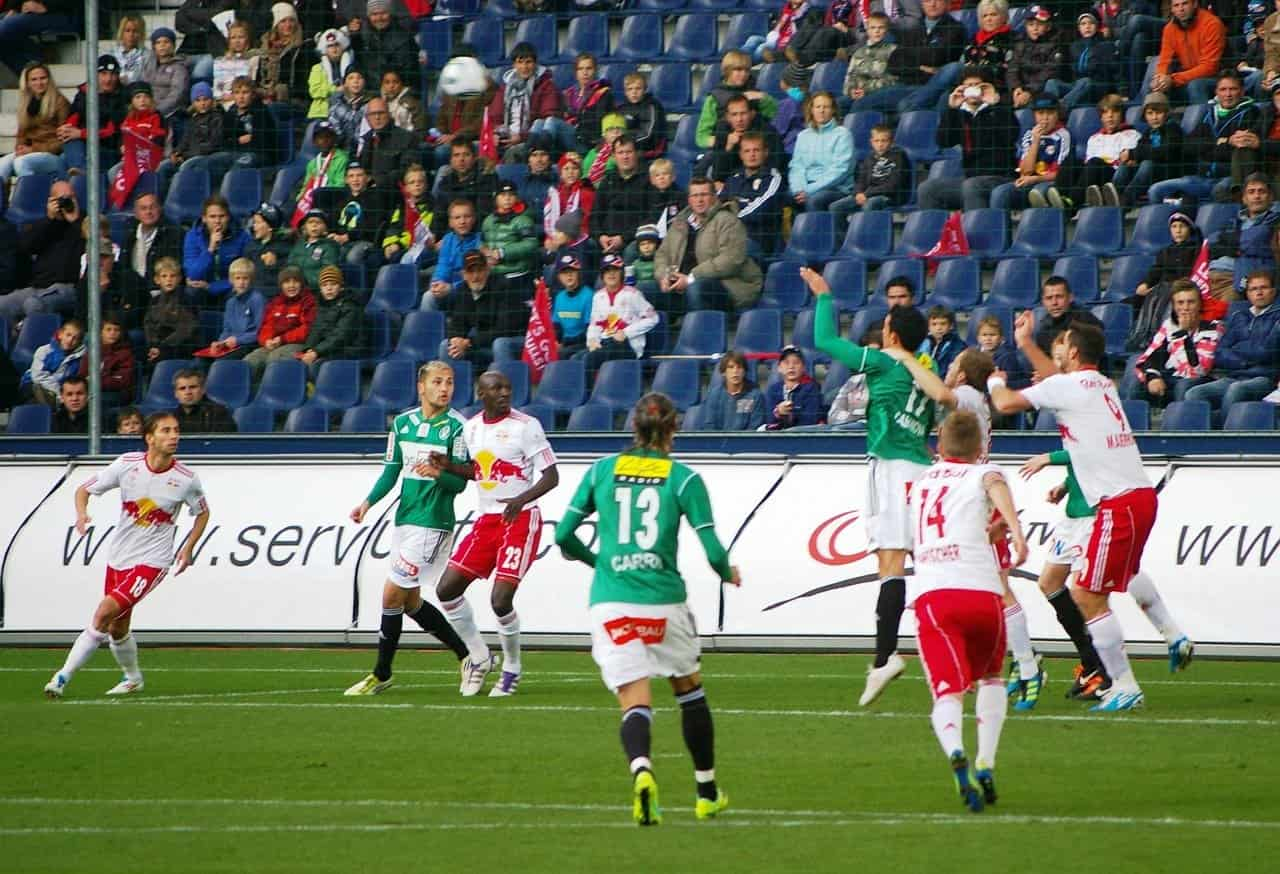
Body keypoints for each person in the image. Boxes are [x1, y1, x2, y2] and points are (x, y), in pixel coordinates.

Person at [554, 392, 738, 825]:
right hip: (663, 602)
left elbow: (563, 534)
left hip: (612, 601)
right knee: (688, 688)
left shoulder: (602, 470)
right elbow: (712, 550)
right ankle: (706, 792)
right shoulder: (684, 479)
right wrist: (728, 572)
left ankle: (642, 772)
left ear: (633, 428)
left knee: (634, 699)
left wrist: (599, 561)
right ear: (673, 430)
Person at [990, 315, 1191, 711]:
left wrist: (994, 380)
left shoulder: (1070, 387)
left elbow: (1007, 403)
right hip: (1136, 496)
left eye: (1063, 343)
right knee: (1114, 581)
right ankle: (1166, 640)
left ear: (1075, 351)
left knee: (1084, 592)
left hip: (1118, 503)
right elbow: (1054, 381)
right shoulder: (1099, 384)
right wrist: (1027, 343)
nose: (1058, 350)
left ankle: (1123, 684)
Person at [804, 265, 935, 706]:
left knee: (891, 564)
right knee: (936, 564)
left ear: (892, 335)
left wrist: (824, 297)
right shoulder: (921, 370)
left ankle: (884, 658)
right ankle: (973, 653)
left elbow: (825, 342)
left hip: (892, 468)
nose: (879, 332)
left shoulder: (882, 362)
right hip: (923, 471)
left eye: (883, 326)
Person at [902, 410, 1027, 811]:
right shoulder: (982, 473)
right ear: (979, 447)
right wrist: (1013, 530)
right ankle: (986, 759)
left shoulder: (920, 483)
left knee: (948, 691)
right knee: (991, 679)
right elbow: (994, 482)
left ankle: (955, 748)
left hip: (936, 597)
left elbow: (913, 542)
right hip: (983, 593)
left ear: (939, 445)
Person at [43, 412, 210, 699]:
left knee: (104, 612)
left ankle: (61, 677)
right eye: (166, 431)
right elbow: (83, 490)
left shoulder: (186, 479)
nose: (174, 436)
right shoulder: (127, 465)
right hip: (120, 555)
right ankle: (133, 678)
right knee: (118, 626)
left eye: (176, 430)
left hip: (153, 561)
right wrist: (82, 514)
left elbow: (203, 513)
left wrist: (188, 547)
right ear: (149, 438)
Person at [428, 370, 561, 697]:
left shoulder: (526, 426)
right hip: (486, 520)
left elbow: (551, 476)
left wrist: (520, 499)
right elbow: (481, 471)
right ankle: (479, 655)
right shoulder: (471, 428)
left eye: (507, 387)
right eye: (496, 388)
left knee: (500, 600)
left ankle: (512, 667)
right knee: (447, 589)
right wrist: (449, 465)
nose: (504, 393)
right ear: (481, 393)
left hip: (521, 519)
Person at [344, 361, 474, 696]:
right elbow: (391, 472)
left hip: (434, 522)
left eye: (450, 382)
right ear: (422, 387)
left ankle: (381, 673)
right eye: (438, 382)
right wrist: (366, 504)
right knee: (410, 600)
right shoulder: (402, 424)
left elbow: (460, 484)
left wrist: (438, 475)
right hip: (405, 520)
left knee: (391, 593)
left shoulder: (457, 427)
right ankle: (468, 655)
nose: (445, 388)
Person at [1148, 72, 1262, 207]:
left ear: (1242, 91)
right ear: (1216, 92)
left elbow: (1237, 150)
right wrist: (1223, 142)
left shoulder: (1251, 112)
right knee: (1156, 190)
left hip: (1229, 178)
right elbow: (1188, 146)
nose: (1228, 94)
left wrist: (1208, 147)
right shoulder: (1209, 114)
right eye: (1223, 89)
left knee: (1218, 191)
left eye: (1233, 89)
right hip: (1201, 178)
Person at [1184, 270, 1280, 425]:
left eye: (1263, 287)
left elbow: (1267, 352)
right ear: (1247, 294)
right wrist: (1243, 362)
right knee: (1194, 393)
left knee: (1236, 390)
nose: (1259, 293)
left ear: (1273, 291)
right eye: (1253, 289)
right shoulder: (1239, 316)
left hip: (1263, 378)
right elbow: (1220, 353)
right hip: (1235, 375)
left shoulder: (1277, 317)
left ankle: (1225, 438)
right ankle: (1200, 440)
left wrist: (1238, 349)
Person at [654, 178, 763, 314]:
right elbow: (662, 254)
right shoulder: (679, 223)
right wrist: (664, 276)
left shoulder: (727, 221)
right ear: (689, 199)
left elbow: (731, 260)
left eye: (704, 195)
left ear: (713, 197)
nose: (699, 200)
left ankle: (700, 333)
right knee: (645, 290)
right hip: (680, 285)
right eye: (695, 195)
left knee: (696, 287)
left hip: (726, 287)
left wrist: (691, 278)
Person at [917, 66, 1018, 211]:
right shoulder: (960, 114)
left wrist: (995, 105)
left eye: (978, 86)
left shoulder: (999, 109)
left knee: (972, 186)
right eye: (968, 86)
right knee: (928, 189)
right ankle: (938, 233)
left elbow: (1011, 135)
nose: (973, 90)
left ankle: (977, 231)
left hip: (1001, 178)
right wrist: (951, 110)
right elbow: (944, 142)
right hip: (970, 180)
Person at [0, 179, 81, 322]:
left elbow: (89, 247)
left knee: (34, 304)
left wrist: (75, 221)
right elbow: (26, 247)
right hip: (38, 287)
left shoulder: (85, 224)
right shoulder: (45, 224)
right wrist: (50, 220)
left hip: (67, 288)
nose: (66, 202)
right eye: (61, 199)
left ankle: (36, 343)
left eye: (71, 197)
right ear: (51, 200)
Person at [1130, 282, 1221, 406]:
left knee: (1182, 385)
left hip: (1200, 379)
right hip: (1172, 375)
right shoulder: (1170, 325)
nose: (1185, 307)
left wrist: (1184, 334)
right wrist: (1153, 377)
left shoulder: (1213, 328)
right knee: (1137, 383)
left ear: (1200, 304)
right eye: (1180, 303)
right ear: (1173, 306)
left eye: (1191, 302)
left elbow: (1199, 371)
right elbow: (1152, 354)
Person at [442, 251, 527, 369]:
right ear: (463, 274)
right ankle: (452, 385)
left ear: (487, 270)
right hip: (482, 340)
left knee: (500, 343)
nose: (475, 276)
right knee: (446, 345)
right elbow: (457, 323)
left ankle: (505, 384)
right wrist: (456, 339)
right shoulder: (463, 290)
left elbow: (504, 329)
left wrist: (468, 342)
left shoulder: (504, 286)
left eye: (479, 270)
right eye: (470, 271)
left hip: (516, 339)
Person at [582, 254, 658, 378]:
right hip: (605, 342)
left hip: (628, 345)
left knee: (589, 359)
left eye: (615, 270)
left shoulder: (633, 294)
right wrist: (592, 340)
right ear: (602, 275)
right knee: (577, 357)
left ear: (621, 273)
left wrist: (626, 333)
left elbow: (653, 318)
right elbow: (595, 324)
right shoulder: (598, 296)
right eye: (607, 271)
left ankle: (587, 395)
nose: (611, 274)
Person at [990, 95, 1071, 211]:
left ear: (1057, 114)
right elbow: (1025, 171)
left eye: (1050, 113)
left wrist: (1036, 179)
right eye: (1041, 113)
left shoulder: (1064, 135)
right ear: (1034, 115)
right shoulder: (1029, 135)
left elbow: (1060, 173)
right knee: (1000, 193)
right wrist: (1036, 141)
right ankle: (999, 228)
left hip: (1050, 183)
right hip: (1029, 182)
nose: (1045, 118)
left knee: (1040, 190)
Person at [487, 41, 563, 162]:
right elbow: (494, 117)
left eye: (528, 62)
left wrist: (521, 137)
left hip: (531, 141)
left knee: (513, 153)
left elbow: (547, 119)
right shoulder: (505, 88)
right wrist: (496, 134)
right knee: (478, 149)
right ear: (514, 65)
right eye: (520, 62)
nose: (524, 67)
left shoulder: (547, 86)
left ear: (535, 64)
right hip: (506, 138)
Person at [0, 62, 70, 181]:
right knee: (2, 164)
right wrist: (20, 148)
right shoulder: (25, 103)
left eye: (43, 78)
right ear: (27, 83)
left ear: (49, 80)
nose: (39, 83)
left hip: (54, 155)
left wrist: (34, 149)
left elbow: (64, 141)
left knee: (21, 163)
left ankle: (32, 197)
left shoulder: (60, 102)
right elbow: (21, 134)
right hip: (30, 152)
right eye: (34, 79)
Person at [721, 132, 786, 256]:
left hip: (758, 241)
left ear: (765, 152)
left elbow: (760, 211)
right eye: (747, 151)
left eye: (756, 150)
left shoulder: (773, 178)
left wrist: (733, 215)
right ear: (741, 154)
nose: (752, 155)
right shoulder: (734, 178)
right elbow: (721, 204)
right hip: (729, 234)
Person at [1114, 91, 1184, 207]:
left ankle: (1125, 200)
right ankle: (1114, 194)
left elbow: (1165, 152)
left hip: (1169, 172)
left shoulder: (1173, 129)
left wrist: (1133, 154)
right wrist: (1133, 158)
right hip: (1151, 174)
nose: (1154, 117)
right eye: (1150, 113)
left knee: (1147, 164)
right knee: (1126, 165)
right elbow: (1140, 149)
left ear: (1166, 113)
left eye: (1159, 113)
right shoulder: (1148, 132)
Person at [246, 266, 318, 377]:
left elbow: (307, 329)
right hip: (274, 343)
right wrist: (267, 341)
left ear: (302, 284)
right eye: (287, 282)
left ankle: (275, 392)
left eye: (295, 281)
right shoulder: (276, 302)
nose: (291, 285)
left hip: (298, 344)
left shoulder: (308, 301)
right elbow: (266, 326)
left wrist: (282, 339)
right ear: (281, 285)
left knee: (275, 358)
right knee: (251, 360)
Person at [60, 54, 127, 173]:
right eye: (104, 74)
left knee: (64, 160)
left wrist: (82, 133)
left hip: (108, 149)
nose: (108, 79)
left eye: (113, 74)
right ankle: (79, 174)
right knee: (68, 146)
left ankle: (80, 174)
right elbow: (73, 117)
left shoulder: (123, 97)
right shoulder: (84, 92)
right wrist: (66, 129)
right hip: (82, 146)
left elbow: (112, 132)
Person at [1150, 0, 1225, 106]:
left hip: (1216, 78)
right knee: (1155, 71)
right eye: (1176, 5)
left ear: (1195, 4)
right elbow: (1164, 60)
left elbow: (1209, 67)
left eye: (1185, 3)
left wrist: (1172, 79)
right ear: (1172, 9)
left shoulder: (1212, 24)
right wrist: (1159, 78)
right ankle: (1146, 114)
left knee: (1195, 85)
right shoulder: (1169, 28)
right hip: (1186, 76)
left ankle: (1203, 121)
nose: (1181, 9)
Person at [788, 91, 854, 212]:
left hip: (835, 188)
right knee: (782, 198)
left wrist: (809, 190)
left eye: (826, 107)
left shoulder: (843, 134)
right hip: (806, 186)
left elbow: (840, 171)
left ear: (833, 110)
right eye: (818, 107)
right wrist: (798, 189)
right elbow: (797, 166)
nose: (821, 110)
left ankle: (816, 231)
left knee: (814, 200)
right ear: (812, 110)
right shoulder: (803, 135)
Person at [158, 82, 224, 199]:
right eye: (198, 100)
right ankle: (160, 199)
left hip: (205, 158)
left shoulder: (217, 118)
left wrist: (185, 156)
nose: (202, 103)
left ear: (212, 100)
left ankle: (181, 200)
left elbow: (213, 144)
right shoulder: (192, 120)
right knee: (163, 166)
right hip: (188, 156)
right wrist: (176, 152)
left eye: (206, 99)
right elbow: (185, 140)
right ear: (193, 103)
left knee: (186, 167)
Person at [183, 194, 250, 305]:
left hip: (229, 288)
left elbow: (247, 275)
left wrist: (213, 286)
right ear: (204, 218)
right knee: (191, 292)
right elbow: (193, 275)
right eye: (212, 217)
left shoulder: (242, 236)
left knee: (240, 292)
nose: (217, 221)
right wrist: (210, 250)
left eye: (222, 216)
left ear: (228, 217)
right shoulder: (193, 236)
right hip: (202, 289)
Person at [297, 266, 363, 379]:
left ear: (341, 287)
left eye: (333, 284)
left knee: (315, 366)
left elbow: (341, 335)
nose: (329, 288)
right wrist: (308, 348)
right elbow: (316, 330)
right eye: (325, 285)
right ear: (320, 289)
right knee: (295, 363)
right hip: (329, 349)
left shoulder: (350, 306)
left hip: (348, 349)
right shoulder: (323, 305)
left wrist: (316, 352)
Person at [832, 124, 908, 221]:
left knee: (869, 204)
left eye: (884, 141)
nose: (880, 144)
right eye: (877, 141)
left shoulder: (899, 156)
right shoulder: (869, 158)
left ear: (891, 142)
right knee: (836, 207)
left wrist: (867, 194)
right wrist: (858, 193)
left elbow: (894, 184)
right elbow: (861, 180)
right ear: (871, 142)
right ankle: (844, 235)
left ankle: (867, 234)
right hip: (867, 194)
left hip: (889, 196)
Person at [593, 136, 655, 255]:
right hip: (605, 240)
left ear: (636, 154)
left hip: (633, 240)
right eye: (620, 152)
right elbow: (595, 214)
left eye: (629, 152)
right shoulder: (608, 181)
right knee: (586, 247)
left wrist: (623, 238)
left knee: (631, 251)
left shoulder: (649, 180)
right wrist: (600, 236)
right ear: (614, 156)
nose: (625, 157)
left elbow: (651, 216)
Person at [119, 193, 184, 305]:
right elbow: (123, 266)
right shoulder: (129, 232)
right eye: (143, 208)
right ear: (136, 213)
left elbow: (174, 269)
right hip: (132, 291)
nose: (148, 212)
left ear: (160, 209)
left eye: (152, 207)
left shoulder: (173, 234)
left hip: (158, 291)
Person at [844, 13, 912, 113]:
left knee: (860, 105)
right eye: (873, 28)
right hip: (858, 92)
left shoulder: (894, 50)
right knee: (838, 104)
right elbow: (850, 77)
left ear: (887, 30)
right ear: (867, 30)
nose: (877, 31)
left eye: (881, 28)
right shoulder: (858, 53)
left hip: (882, 92)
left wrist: (866, 90)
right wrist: (851, 91)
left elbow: (893, 79)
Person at [430, 140, 499, 238]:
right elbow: (439, 216)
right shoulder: (445, 183)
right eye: (456, 155)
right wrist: (435, 237)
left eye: (466, 154)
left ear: (474, 158)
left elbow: (483, 216)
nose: (461, 159)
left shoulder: (486, 179)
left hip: (477, 237)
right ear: (451, 160)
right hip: (450, 237)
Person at [480, 181, 540, 292]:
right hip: (492, 274)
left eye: (511, 195)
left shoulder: (523, 220)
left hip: (516, 274)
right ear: (496, 198)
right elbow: (482, 242)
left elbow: (531, 244)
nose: (507, 198)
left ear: (517, 198)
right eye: (503, 195)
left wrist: (502, 253)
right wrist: (486, 255)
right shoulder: (488, 220)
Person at [1007, 5, 1070, 109]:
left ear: (1048, 26)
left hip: (1042, 90)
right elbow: (1012, 69)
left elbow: (1050, 71)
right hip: (1023, 91)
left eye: (1039, 24)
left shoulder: (1057, 43)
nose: (1035, 28)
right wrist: (1016, 88)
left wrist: (1029, 92)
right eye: (1031, 24)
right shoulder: (1020, 43)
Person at [424, 199, 482, 311]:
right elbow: (443, 266)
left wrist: (452, 288)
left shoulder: (480, 241)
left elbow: (475, 277)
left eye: (467, 216)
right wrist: (437, 283)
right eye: (457, 218)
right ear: (450, 222)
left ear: (474, 219)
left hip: (471, 291)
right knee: (429, 296)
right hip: (449, 288)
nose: (462, 221)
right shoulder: (447, 239)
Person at [144, 257, 199, 369]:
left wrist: (162, 347)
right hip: (158, 346)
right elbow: (149, 324)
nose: (169, 280)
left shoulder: (186, 300)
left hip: (180, 346)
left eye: (172, 276)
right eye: (164, 276)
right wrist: (153, 345)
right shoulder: (155, 300)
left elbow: (185, 330)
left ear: (179, 278)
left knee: (158, 360)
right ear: (157, 279)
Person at [204, 258, 265, 360]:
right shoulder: (230, 302)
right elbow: (227, 330)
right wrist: (221, 342)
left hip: (249, 345)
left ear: (252, 279)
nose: (241, 282)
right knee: (202, 361)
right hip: (231, 345)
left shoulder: (257, 299)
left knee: (223, 361)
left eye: (245, 278)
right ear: (231, 280)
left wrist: (238, 340)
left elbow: (260, 331)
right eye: (238, 278)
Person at [350, 0, 418, 89]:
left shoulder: (403, 37)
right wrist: (355, 37)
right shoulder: (362, 35)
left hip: (396, 91)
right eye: (374, 14)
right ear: (369, 16)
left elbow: (408, 74)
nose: (379, 18)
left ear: (390, 13)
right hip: (367, 91)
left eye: (383, 13)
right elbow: (358, 63)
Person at [355, 98, 417, 190]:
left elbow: (406, 170)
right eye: (373, 114)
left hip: (393, 192)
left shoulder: (406, 137)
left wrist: (378, 182)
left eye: (381, 113)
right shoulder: (365, 139)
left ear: (389, 115)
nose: (377, 117)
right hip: (367, 191)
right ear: (367, 119)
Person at [21, 318, 85, 407]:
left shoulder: (79, 358)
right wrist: (59, 392)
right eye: (68, 335)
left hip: (60, 392)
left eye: (75, 338)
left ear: (79, 342)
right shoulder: (44, 351)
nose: (70, 340)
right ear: (60, 335)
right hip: (33, 383)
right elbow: (38, 376)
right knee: (35, 390)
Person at [1033, 276, 1104, 355]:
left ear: (1070, 298)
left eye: (1059, 297)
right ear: (1043, 301)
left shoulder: (1087, 321)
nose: (1054, 303)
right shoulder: (1043, 329)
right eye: (1049, 298)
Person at [1063, 12, 1118, 112]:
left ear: (1097, 26)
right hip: (1078, 86)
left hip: (1098, 86)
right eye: (1083, 24)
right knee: (1052, 83)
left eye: (1091, 23)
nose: (1087, 26)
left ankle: (1060, 109)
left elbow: (1116, 71)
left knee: (1086, 81)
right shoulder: (1074, 46)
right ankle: (1051, 108)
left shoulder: (1106, 45)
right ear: (1079, 28)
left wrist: (1122, 92)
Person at [828, 326, 882, 425]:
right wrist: (861, 419)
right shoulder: (854, 381)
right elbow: (833, 415)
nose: (870, 359)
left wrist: (851, 417)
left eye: (876, 353)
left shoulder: (893, 382)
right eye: (868, 354)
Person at [563, 52, 613, 155]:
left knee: (552, 123)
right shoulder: (569, 94)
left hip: (589, 142)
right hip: (570, 137)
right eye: (580, 69)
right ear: (576, 72)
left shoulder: (603, 93)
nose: (585, 72)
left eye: (588, 68)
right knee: (541, 123)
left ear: (595, 71)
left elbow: (599, 122)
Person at [764, 344, 823, 429]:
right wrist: (778, 413)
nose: (791, 367)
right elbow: (768, 420)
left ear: (803, 368)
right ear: (779, 368)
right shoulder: (773, 390)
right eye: (786, 363)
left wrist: (790, 416)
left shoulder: (812, 389)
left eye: (796, 363)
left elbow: (810, 421)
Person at [704, 351, 767, 430]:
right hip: (718, 441)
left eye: (739, 367)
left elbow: (755, 427)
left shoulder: (756, 396)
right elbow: (710, 425)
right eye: (731, 367)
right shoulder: (714, 394)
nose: (735, 371)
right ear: (723, 372)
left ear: (744, 372)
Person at [140, 27, 189, 121]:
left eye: (166, 42)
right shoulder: (148, 64)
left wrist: (157, 111)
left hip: (171, 114)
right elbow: (141, 87)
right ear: (154, 46)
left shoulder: (179, 67)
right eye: (158, 42)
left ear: (173, 45)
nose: (162, 45)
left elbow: (177, 95)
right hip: (146, 110)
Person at [618, 71, 667, 160]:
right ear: (625, 92)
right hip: (626, 148)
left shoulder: (652, 106)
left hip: (648, 150)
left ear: (644, 89)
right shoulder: (622, 108)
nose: (634, 92)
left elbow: (649, 135)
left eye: (638, 88)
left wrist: (627, 143)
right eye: (630, 89)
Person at [288, 209, 342, 289]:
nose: (314, 225)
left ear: (325, 228)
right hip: (295, 288)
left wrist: (304, 283)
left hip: (315, 290)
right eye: (310, 222)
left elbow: (328, 273)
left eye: (318, 222)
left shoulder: (329, 247)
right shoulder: (299, 245)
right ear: (305, 227)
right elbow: (289, 265)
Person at [552, 254, 594, 358]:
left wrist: (565, 343)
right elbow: (556, 326)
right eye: (564, 273)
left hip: (583, 343)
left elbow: (589, 328)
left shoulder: (589, 295)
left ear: (578, 273)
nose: (569, 275)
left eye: (572, 271)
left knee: (563, 355)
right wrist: (556, 342)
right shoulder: (559, 297)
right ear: (559, 277)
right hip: (565, 344)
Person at [244, 202, 293, 290]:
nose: (254, 227)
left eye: (258, 223)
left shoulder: (285, 246)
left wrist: (275, 264)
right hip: (252, 292)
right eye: (254, 222)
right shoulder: (250, 246)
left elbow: (291, 274)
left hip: (275, 293)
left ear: (270, 226)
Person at [213, 21, 260, 110]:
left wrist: (233, 96)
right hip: (223, 103)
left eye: (241, 37)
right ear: (229, 41)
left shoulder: (255, 58)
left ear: (247, 39)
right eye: (233, 38)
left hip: (244, 103)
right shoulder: (221, 61)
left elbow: (250, 86)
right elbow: (217, 90)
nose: (237, 41)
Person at [173, 368, 237, 433]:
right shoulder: (172, 417)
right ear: (176, 394)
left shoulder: (219, 413)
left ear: (203, 389)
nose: (188, 392)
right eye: (182, 388)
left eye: (193, 387)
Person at [309, 27, 353, 120]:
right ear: (325, 49)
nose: (334, 48)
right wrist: (335, 89)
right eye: (330, 46)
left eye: (337, 44)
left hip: (346, 111)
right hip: (321, 114)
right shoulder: (317, 68)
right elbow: (314, 91)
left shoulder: (351, 68)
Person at [328, 67, 371, 152]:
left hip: (365, 151)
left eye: (359, 77)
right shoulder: (336, 106)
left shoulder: (371, 105)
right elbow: (334, 133)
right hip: (341, 151)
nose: (356, 81)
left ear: (365, 82)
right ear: (345, 83)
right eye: (351, 78)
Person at [919, 305, 966, 378]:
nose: (938, 328)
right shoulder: (923, 342)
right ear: (928, 326)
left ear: (951, 326)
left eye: (943, 324)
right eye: (934, 324)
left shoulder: (958, 345)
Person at [381, 69, 426, 134]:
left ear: (402, 84)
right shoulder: (381, 103)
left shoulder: (411, 103)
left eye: (395, 82)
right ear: (382, 85)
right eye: (387, 82)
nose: (391, 86)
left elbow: (420, 128)